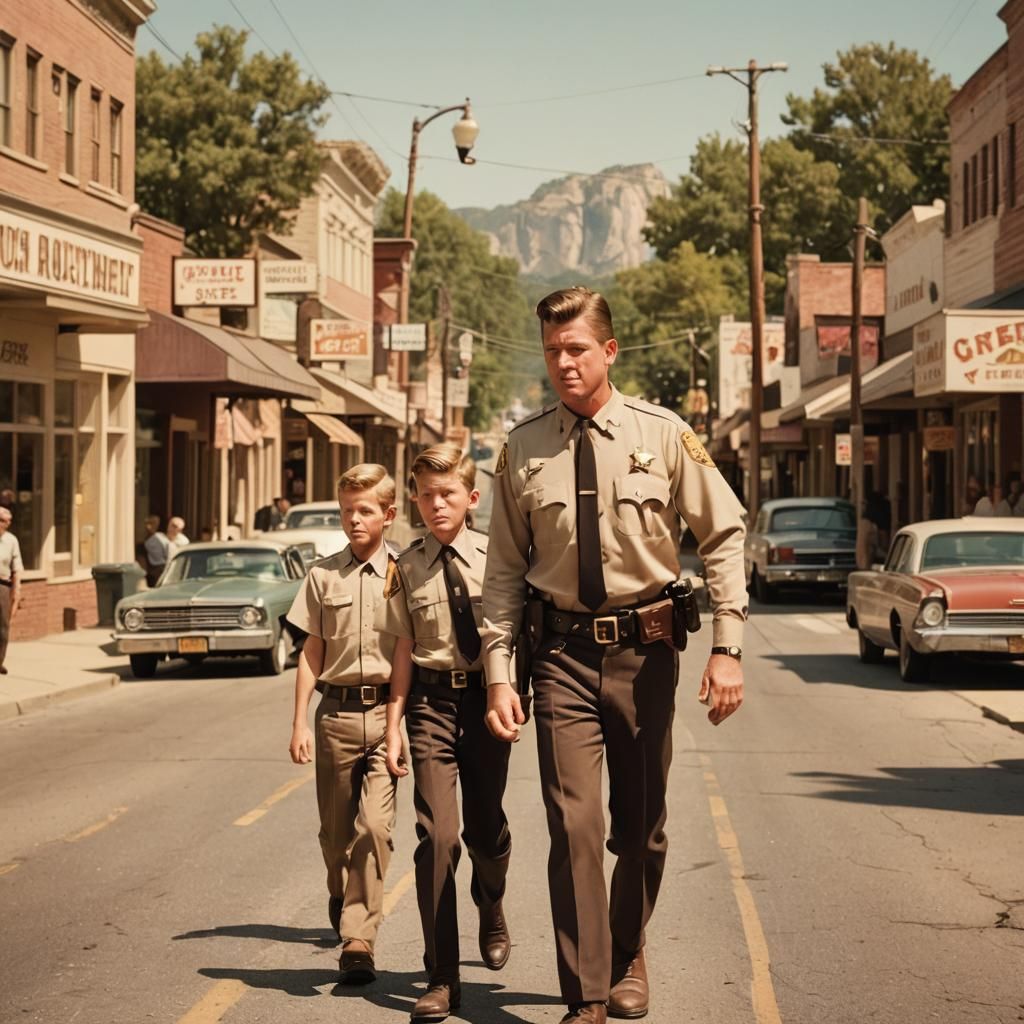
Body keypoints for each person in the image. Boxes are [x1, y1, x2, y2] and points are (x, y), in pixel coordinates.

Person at [481, 287, 747, 1024]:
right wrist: (500, 673)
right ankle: (586, 995)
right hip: (558, 653)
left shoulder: (663, 435)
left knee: (642, 828)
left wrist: (727, 647)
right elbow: (502, 571)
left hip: (647, 653)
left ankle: (630, 947)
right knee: (574, 828)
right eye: (551, 350)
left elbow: (723, 532)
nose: (563, 363)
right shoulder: (522, 446)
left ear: (609, 351)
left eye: (576, 349)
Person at [379, 444, 512, 1024]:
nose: (437, 504)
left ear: (471, 498)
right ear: (414, 498)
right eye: (427, 495)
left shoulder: (498, 558)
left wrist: (513, 695)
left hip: (486, 699)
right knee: (437, 836)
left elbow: (514, 636)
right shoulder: (405, 566)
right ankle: (441, 977)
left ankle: (493, 898)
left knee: (486, 828)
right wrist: (394, 726)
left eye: (448, 494)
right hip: (430, 703)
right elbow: (403, 650)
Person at [285, 464, 400, 985]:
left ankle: (359, 938)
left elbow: (410, 650)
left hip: (384, 714)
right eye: (347, 511)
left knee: (373, 829)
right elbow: (311, 651)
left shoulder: (405, 573)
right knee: (336, 836)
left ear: (389, 515)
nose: (354, 519)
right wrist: (300, 722)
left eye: (365, 510)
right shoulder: (322, 575)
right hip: (333, 716)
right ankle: (340, 890)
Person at [0, 507, 24, 676]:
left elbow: (17, 569)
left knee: (3, 625)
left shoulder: (11, 541)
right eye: (2, 520)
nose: (6, 524)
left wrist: (16, 593)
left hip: (3, 585)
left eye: (8, 521)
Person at [142, 515, 170, 587]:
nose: (149, 527)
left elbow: (167, 549)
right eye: (148, 524)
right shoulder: (146, 540)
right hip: (153, 569)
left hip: (162, 567)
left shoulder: (161, 537)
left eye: (154, 524)